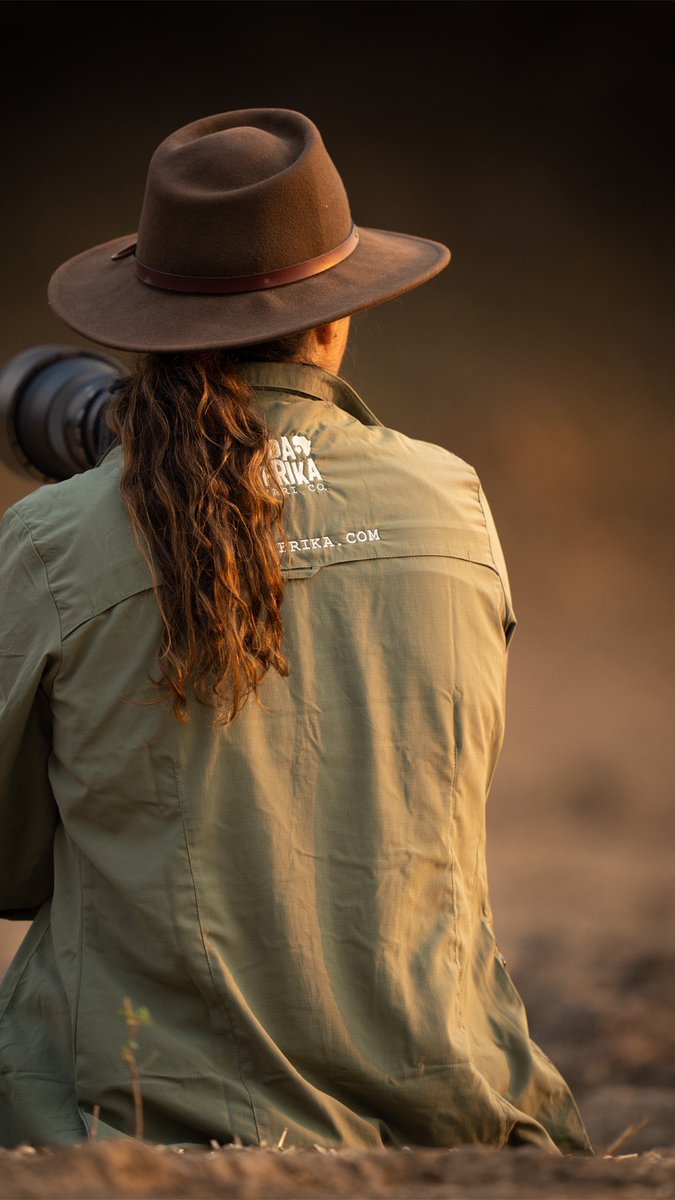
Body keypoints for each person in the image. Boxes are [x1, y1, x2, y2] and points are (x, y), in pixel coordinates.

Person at [0, 109, 591, 1153]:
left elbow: (5, 868)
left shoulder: (54, 539)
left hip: (120, 1121)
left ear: (146, 325)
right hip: (455, 1109)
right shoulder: (451, 499)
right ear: (335, 318)